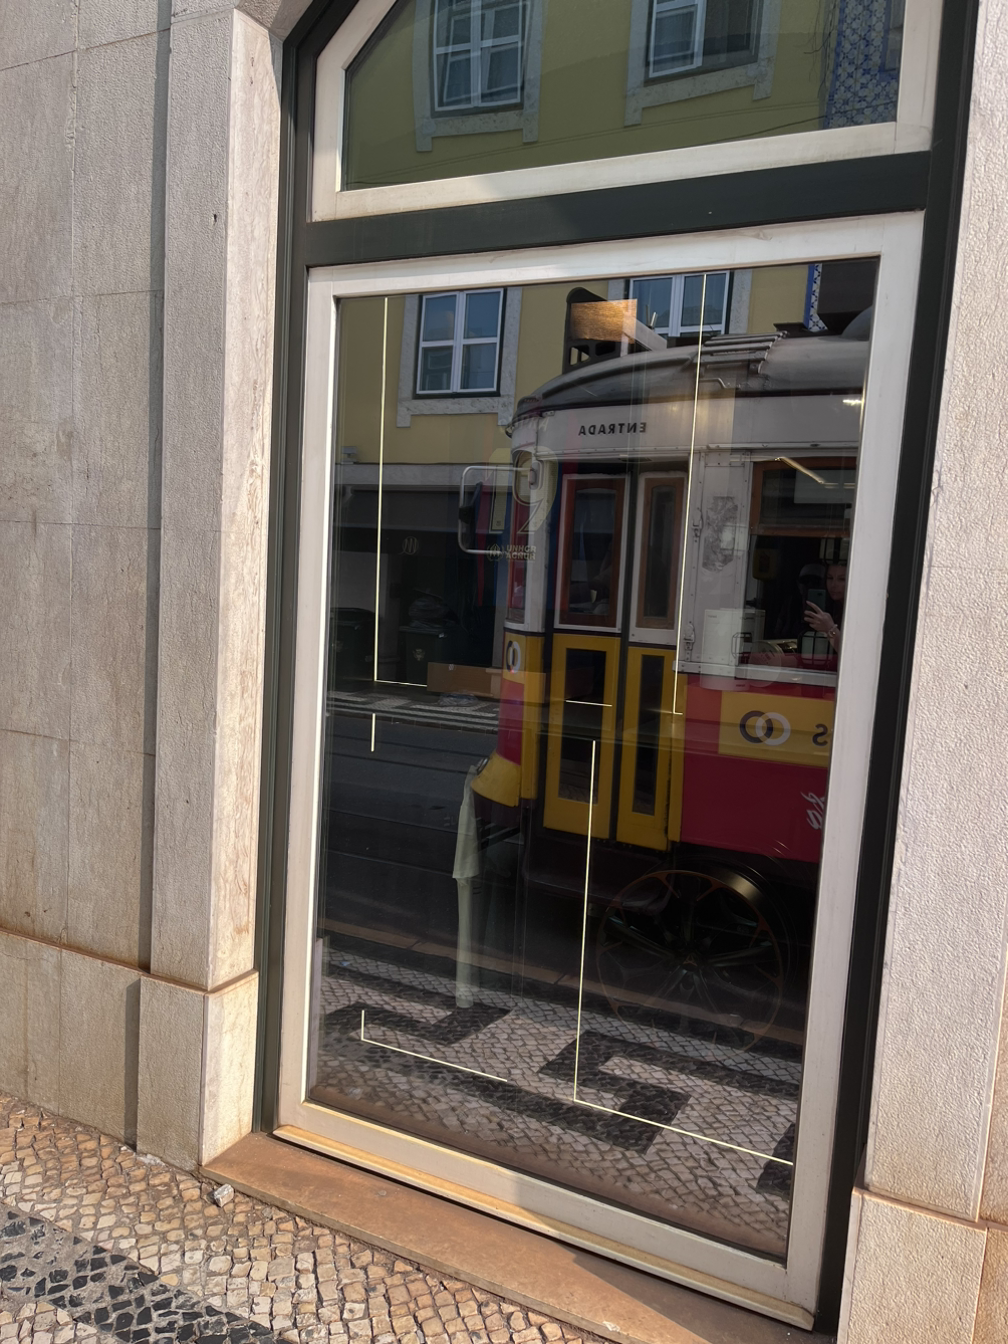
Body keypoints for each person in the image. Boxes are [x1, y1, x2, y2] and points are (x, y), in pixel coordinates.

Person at [804, 561, 846, 653]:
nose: (833, 585)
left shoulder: (858, 610)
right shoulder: (831, 607)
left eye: (842, 579)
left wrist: (830, 629)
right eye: (830, 578)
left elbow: (851, 653)